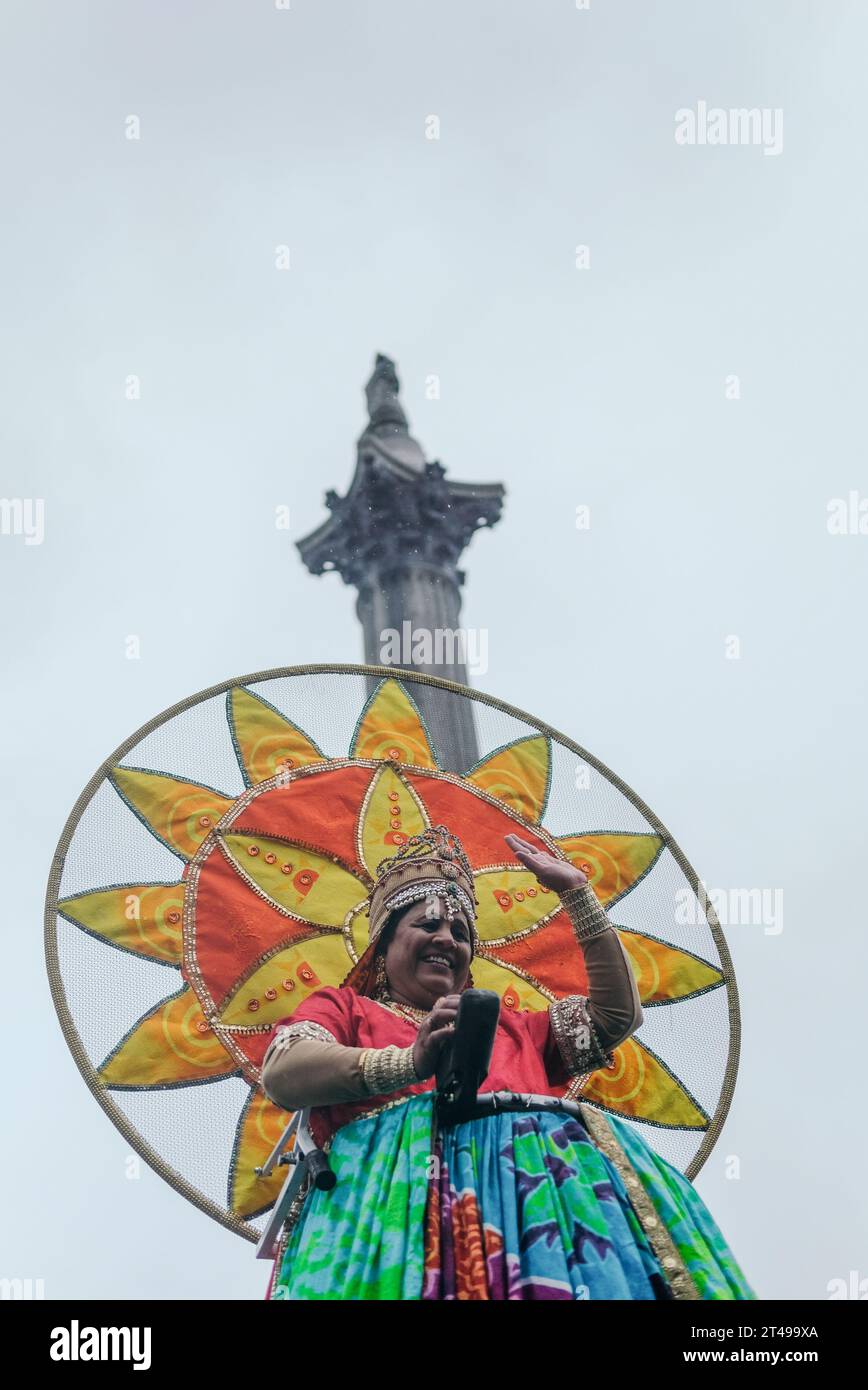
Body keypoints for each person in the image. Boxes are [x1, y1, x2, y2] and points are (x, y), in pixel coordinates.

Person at [261, 824, 756, 1301]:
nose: (446, 938)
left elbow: (616, 1017)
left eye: (459, 931)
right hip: (392, 1218)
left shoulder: (514, 1028)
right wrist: (411, 1063)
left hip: (533, 1219)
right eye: (427, 924)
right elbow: (284, 1071)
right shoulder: (348, 1008)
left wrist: (579, 897)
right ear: (383, 945)